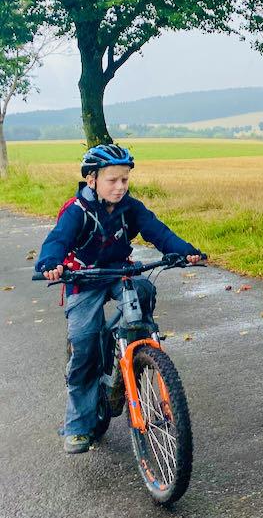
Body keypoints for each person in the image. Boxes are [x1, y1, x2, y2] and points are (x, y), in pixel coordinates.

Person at [34, 144, 203, 454]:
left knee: (143, 289)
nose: (120, 187)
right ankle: (78, 426)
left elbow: (158, 232)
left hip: (117, 272)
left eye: (125, 180)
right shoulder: (77, 211)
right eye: (112, 180)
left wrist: (185, 250)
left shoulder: (130, 208)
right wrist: (50, 264)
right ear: (91, 179)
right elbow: (57, 240)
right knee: (84, 345)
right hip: (82, 279)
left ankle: (135, 354)